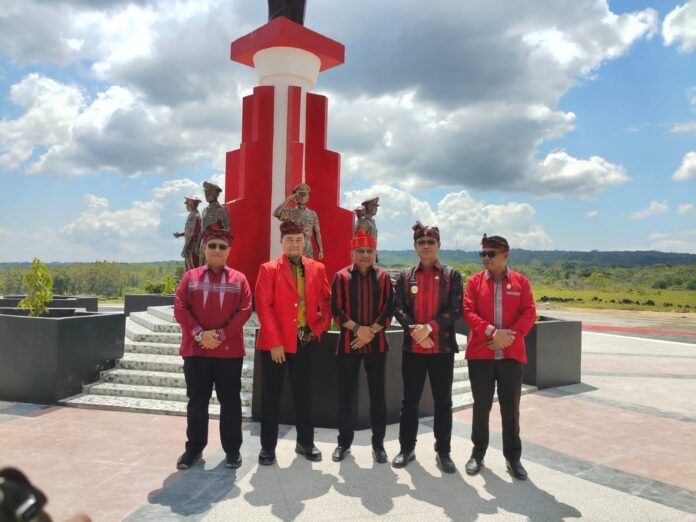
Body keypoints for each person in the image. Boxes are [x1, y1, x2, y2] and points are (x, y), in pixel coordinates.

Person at [174, 224, 252, 470]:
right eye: (212, 246)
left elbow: (244, 310)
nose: (217, 250)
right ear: (204, 248)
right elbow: (180, 307)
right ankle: (194, 449)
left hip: (228, 352)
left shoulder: (239, 279)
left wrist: (219, 335)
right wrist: (199, 334)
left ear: (229, 251)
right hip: (196, 351)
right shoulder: (190, 277)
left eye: (222, 246)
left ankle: (232, 451)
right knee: (197, 400)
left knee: (230, 401)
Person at [254, 220, 332, 465]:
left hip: (304, 342)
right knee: (272, 397)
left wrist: (317, 328)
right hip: (275, 345)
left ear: (305, 241)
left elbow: (326, 302)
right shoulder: (268, 269)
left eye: (299, 239)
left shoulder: (317, 268)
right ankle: (268, 447)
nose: (295, 244)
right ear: (281, 242)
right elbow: (263, 307)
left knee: (304, 395)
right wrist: (275, 342)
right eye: (290, 240)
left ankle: (305, 442)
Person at [462, 234, 537, 480]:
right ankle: (477, 453)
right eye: (482, 253)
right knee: (481, 407)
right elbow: (468, 312)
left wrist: (509, 337)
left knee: (510, 408)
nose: (485, 258)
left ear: (505, 255)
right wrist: (493, 333)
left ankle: (513, 457)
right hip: (481, 355)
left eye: (490, 254)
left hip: (511, 356)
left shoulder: (521, 283)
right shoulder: (474, 283)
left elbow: (529, 312)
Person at [392, 222, 463, 473]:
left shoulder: (452, 275)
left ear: (438, 245)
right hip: (413, 349)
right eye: (421, 242)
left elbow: (456, 309)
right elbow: (398, 308)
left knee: (443, 402)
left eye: (430, 242)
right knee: (409, 401)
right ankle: (406, 449)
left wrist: (429, 328)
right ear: (415, 246)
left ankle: (443, 452)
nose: (426, 246)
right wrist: (416, 331)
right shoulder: (404, 276)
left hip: (441, 349)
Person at [331, 230, 394, 463]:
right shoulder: (341, 276)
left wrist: (371, 332)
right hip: (349, 344)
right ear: (352, 253)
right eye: (360, 251)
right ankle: (343, 443)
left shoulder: (385, 277)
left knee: (378, 397)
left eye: (369, 251)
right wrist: (359, 329)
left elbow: (390, 308)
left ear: (375, 253)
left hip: (377, 345)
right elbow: (336, 310)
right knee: (345, 397)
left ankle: (378, 445)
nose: (365, 255)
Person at [272, 183, 323, 260]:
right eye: (299, 194)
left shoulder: (312, 214)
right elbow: (276, 213)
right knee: (294, 271)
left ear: (308, 197)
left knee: (309, 271)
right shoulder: (290, 212)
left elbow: (317, 232)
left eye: (305, 194)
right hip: (294, 248)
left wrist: (320, 249)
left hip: (308, 249)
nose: (302, 197)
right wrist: (288, 199)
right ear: (295, 197)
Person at [199, 181, 231, 266]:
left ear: (215, 194)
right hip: (204, 245)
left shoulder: (220, 210)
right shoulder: (205, 210)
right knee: (201, 271)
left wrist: (216, 237)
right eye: (206, 192)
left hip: (215, 247)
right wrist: (198, 244)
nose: (207, 194)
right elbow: (201, 229)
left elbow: (227, 229)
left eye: (209, 192)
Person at [173, 196, 202, 270]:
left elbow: (192, 233)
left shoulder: (195, 216)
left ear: (191, 205)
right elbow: (188, 231)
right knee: (189, 268)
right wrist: (180, 234)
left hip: (192, 247)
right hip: (190, 246)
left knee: (193, 268)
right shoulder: (191, 215)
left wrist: (186, 247)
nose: (186, 206)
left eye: (187, 204)